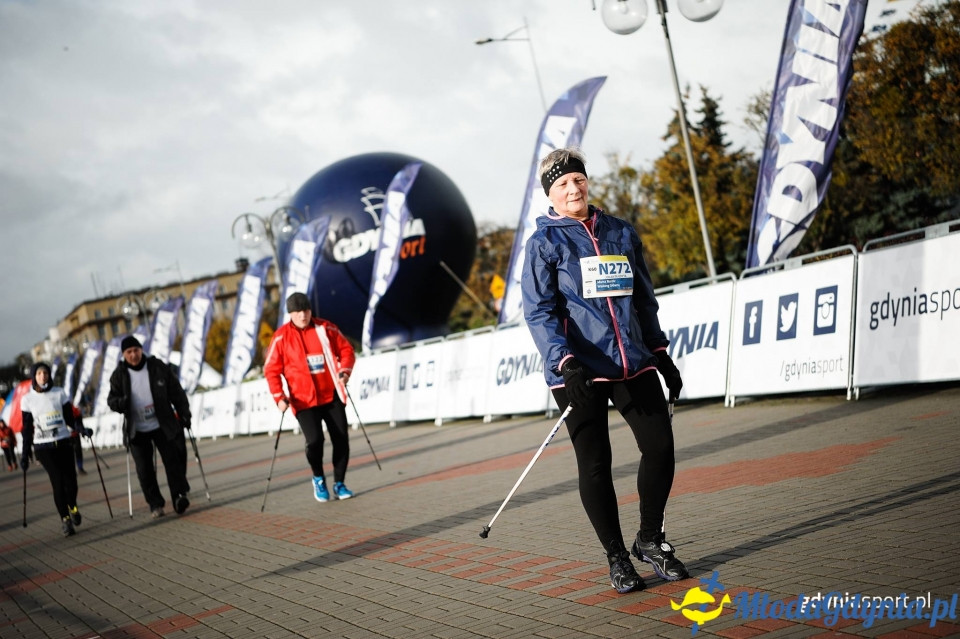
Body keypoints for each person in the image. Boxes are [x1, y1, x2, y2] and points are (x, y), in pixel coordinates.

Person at [521, 147, 687, 594]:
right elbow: (539, 312)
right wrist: (563, 360)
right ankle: (617, 557)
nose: (573, 189)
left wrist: (659, 351)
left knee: (660, 446)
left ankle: (649, 539)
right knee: (596, 464)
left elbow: (643, 298)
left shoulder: (619, 231)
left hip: (630, 360)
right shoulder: (544, 244)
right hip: (578, 370)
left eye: (578, 179)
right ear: (550, 194)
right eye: (562, 184)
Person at [265, 292, 357, 502]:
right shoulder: (280, 337)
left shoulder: (326, 328)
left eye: (306, 310)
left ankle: (339, 483)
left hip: (330, 395)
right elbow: (271, 369)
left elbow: (347, 350)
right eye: (298, 312)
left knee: (341, 438)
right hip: (303, 400)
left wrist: (344, 372)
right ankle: (318, 478)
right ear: (290, 314)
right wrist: (279, 396)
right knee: (315, 440)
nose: (303, 315)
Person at [107, 335, 192, 518]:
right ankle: (155, 503)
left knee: (173, 461)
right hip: (137, 429)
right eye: (129, 352)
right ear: (123, 354)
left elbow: (176, 391)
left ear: (141, 350)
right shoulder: (119, 375)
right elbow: (112, 400)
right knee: (144, 470)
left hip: (162, 424)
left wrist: (184, 413)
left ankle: (179, 496)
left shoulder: (156, 366)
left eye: (136, 350)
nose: (133, 355)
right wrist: (121, 403)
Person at [19, 362, 92, 536]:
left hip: (63, 442)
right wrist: (25, 453)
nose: (42, 376)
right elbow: (27, 429)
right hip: (44, 447)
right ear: (34, 377)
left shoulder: (59, 393)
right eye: (39, 373)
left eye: (45, 373)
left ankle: (73, 507)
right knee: (58, 481)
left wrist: (82, 429)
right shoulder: (27, 399)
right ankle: (65, 520)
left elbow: (69, 418)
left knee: (71, 482)